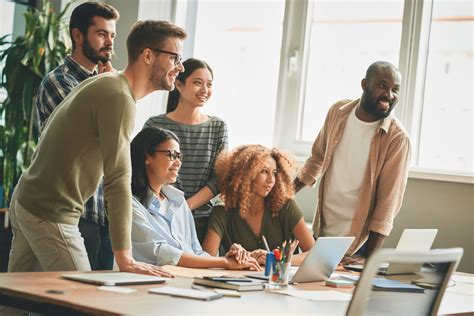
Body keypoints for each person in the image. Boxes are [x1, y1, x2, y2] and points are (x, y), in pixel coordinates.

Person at [8, 20, 187, 277]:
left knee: (13, 302)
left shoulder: (110, 84)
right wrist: (125, 258)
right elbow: (118, 178)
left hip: (29, 199)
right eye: (175, 58)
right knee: (83, 303)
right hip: (50, 210)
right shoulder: (119, 96)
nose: (179, 67)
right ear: (148, 55)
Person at [294, 61, 411, 263]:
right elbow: (316, 160)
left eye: (395, 90)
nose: (389, 95)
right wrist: (283, 194)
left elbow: (387, 204)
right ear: (364, 84)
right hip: (322, 231)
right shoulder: (338, 112)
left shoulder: (397, 138)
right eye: (382, 86)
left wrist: (368, 260)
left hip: (359, 243)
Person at [35, 1, 119, 271]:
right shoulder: (59, 82)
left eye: (112, 35)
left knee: (98, 302)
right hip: (71, 213)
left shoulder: (106, 83)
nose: (109, 42)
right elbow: (96, 135)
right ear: (78, 35)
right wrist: (111, 93)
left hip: (102, 213)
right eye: (102, 34)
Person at [130, 127, 260, 271]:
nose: (178, 162)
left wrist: (229, 258)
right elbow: (160, 252)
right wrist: (222, 262)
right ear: (147, 157)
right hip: (152, 282)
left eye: (179, 156)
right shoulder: (130, 204)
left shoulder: (179, 203)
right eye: (171, 154)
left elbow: (196, 252)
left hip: (186, 280)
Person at [144, 58, 227, 243]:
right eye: (197, 83)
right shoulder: (155, 124)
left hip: (201, 221)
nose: (205, 90)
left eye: (209, 84)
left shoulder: (217, 127)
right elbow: (144, 170)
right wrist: (172, 208)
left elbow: (219, 179)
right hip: (159, 215)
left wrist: (185, 208)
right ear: (179, 85)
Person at [202, 145, 315, 265]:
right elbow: (206, 258)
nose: (271, 180)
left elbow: (314, 254)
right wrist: (231, 258)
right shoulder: (222, 211)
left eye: (274, 172)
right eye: (264, 171)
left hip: (278, 281)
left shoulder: (286, 207)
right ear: (245, 174)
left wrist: (277, 259)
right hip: (240, 281)